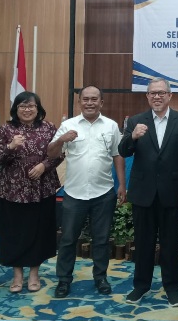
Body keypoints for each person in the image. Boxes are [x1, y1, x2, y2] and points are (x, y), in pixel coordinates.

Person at [118, 77, 178, 307]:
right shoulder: (135, 121)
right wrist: (132, 137)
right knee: (143, 243)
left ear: (170, 96)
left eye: (161, 93)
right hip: (143, 192)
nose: (157, 97)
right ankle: (141, 286)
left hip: (173, 192)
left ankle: (172, 288)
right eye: (153, 93)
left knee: (171, 243)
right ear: (147, 96)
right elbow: (123, 151)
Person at [47, 85, 125, 298]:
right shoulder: (68, 125)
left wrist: (122, 184)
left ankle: (100, 278)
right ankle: (64, 280)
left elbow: (118, 155)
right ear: (79, 102)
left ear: (101, 102)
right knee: (68, 239)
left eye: (94, 99)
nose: (90, 103)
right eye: (86, 99)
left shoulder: (111, 126)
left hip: (104, 193)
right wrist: (61, 140)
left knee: (101, 239)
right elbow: (51, 153)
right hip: (74, 193)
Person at [0, 91, 63, 293]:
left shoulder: (49, 128)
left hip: (42, 189)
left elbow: (59, 154)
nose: (27, 109)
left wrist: (44, 165)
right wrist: (10, 146)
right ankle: (17, 275)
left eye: (31, 106)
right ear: (16, 109)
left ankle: (34, 274)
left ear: (38, 109)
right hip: (13, 190)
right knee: (14, 232)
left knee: (38, 232)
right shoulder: (6, 129)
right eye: (22, 106)